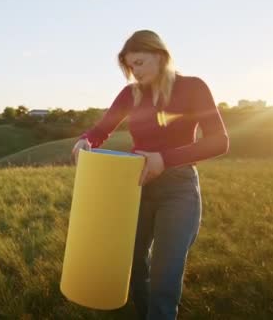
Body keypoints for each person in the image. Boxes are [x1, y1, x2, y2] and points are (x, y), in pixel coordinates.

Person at [71, 30, 229, 320]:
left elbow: (219, 141)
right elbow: (101, 129)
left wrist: (165, 158)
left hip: (178, 190)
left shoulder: (193, 87)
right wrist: (86, 140)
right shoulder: (131, 93)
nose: (134, 72)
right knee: (133, 266)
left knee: (164, 275)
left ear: (160, 56)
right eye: (130, 67)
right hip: (135, 187)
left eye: (140, 63)